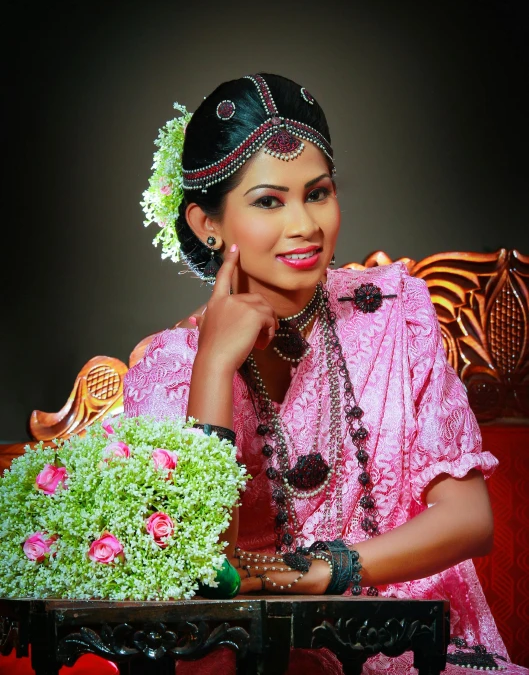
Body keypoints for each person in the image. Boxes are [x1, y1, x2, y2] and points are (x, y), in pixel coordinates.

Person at [122, 73, 528, 674]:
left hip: (414, 648)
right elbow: (196, 570)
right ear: (208, 223)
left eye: (317, 193)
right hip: (260, 658)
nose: (305, 225)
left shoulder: (397, 311)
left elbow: (470, 520)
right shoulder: (166, 369)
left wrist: (330, 568)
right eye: (268, 201)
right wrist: (213, 364)